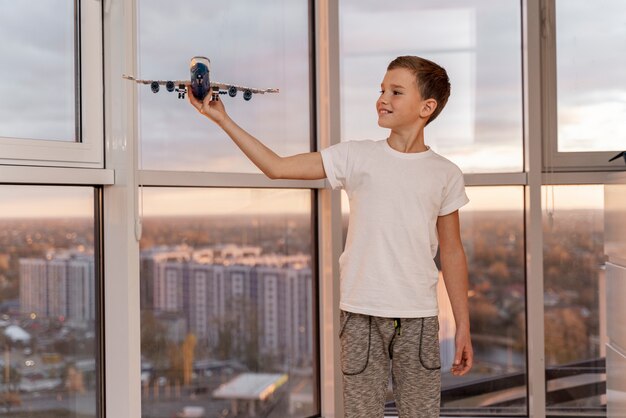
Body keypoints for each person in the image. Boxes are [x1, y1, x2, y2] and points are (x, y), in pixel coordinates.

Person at [189, 55, 473, 418]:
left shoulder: (445, 174)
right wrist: (222, 118)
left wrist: (462, 325)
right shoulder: (356, 156)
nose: (382, 98)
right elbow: (277, 167)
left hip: (418, 319)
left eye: (396, 92)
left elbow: (452, 252)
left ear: (426, 107)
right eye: (381, 89)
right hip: (359, 315)